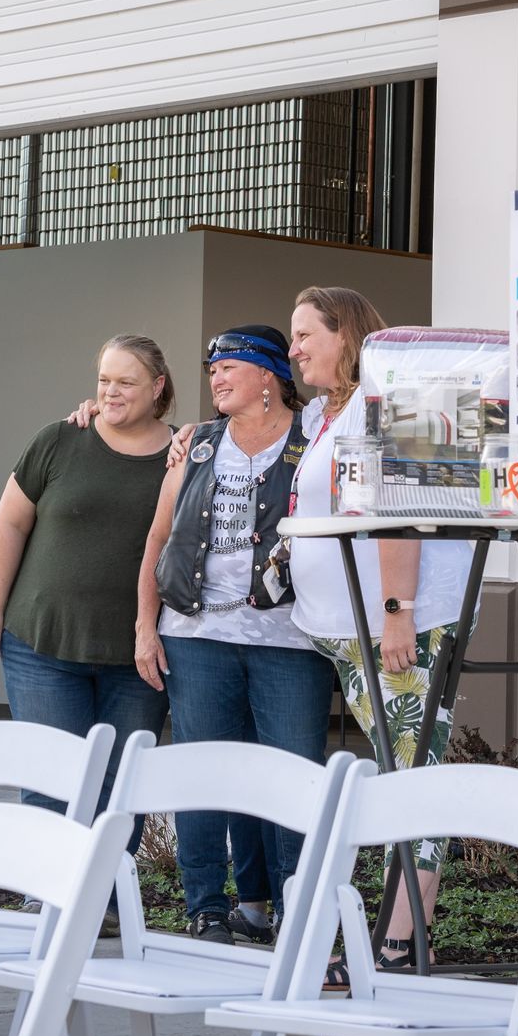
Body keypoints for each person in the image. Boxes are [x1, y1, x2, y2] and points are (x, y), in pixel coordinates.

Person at [287, 285, 476, 977]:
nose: (294, 347)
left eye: (307, 333)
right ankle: (400, 937)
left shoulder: (388, 401)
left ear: (347, 335)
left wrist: (395, 609)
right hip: (353, 630)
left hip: (404, 621)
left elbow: (399, 506)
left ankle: (400, 942)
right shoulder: (325, 414)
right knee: (403, 770)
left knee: (413, 773)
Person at [133, 325, 331, 946]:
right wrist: (145, 627)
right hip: (194, 633)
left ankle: (293, 903)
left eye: (229, 367)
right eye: (211, 368)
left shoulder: (318, 436)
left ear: (269, 375)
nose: (215, 377)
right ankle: (206, 906)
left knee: (292, 773)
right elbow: (159, 539)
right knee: (203, 770)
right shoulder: (195, 444)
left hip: (291, 638)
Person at [0, 335, 177, 857]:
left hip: (138, 655)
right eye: (103, 380)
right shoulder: (60, 440)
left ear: (157, 387)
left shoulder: (184, 453)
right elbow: (9, 526)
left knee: (119, 785)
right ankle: (46, 893)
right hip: (41, 642)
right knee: (50, 776)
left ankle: (104, 902)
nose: (110, 392)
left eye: (125, 382)